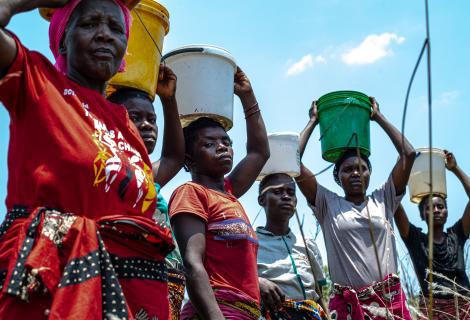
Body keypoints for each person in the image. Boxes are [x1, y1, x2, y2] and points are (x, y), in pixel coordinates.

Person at [0, 1, 174, 319]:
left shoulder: (127, 127)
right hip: (50, 289)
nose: (105, 35)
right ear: (63, 38)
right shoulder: (37, 82)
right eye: (90, 24)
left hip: (131, 297)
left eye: (116, 28)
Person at [296, 100, 416, 320]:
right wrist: (313, 121)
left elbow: (408, 154)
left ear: (370, 174)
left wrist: (378, 117)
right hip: (348, 308)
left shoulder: (384, 198)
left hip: (389, 304)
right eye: (348, 169)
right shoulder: (327, 204)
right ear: (337, 177)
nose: (355, 173)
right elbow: (293, 162)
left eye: (362, 168)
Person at [168, 67, 270, 320]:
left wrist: (247, 96)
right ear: (189, 158)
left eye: (226, 142)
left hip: (245, 312)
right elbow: (193, 264)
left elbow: (259, 153)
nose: (222, 147)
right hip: (215, 312)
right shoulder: (191, 193)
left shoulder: (228, 192)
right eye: (209, 143)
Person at [108, 67, 186, 320]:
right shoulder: (107, 169)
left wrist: (168, 99)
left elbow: (174, 157)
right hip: (125, 283)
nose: (147, 125)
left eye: (152, 119)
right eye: (135, 117)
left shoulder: (148, 174)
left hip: (166, 284)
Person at [394, 150, 470, 319]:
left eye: (440, 207)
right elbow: (393, 201)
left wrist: (455, 169)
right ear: (422, 214)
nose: (436, 210)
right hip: (431, 309)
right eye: (429, 207)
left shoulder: (457, 235)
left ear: (447, 212)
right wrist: (404, 170)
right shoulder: (415, 239)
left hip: (464, 307)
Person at [257, 173, 327, 320]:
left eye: (291, 193)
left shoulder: (307, 244)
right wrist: (257, 282)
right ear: (262, 200)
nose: (286, 197)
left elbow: (318, 293)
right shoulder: (251, 243)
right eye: (277, 192)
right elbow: (235, 282)